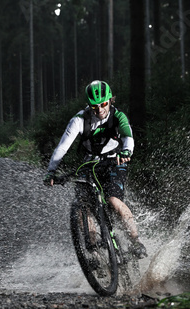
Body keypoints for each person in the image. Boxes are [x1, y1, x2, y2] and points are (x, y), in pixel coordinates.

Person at [44, 80, 147, 259]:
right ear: (88, 105)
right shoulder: (79, 120)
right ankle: (93, 251)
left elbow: (127, 136)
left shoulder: (118, 116)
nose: (99, 110)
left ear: (110, 100)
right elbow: (62, 147)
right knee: (83, 206)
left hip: (114, 160)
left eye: (103, 104)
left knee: (113, 200)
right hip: (89, 163)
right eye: (94, 106)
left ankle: (136, 241)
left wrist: (126, 151)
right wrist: (52, 171)